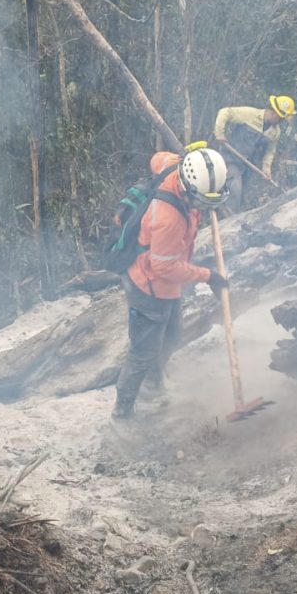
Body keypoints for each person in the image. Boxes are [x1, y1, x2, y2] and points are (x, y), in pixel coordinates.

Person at [113, 146, 230, 420]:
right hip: (148, 285)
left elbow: (156, 158)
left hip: (168, 283)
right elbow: (163, 267)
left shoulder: (177, 166)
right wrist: (208, 276)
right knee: (143, 351)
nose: (205, 207)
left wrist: (186, 154)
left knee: (173, 334)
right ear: (188, 188)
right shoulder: (168, 218)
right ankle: (122, 413)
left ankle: (153, 386)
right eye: (202, 201)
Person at [213, 94, 297, 213]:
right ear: (274, 113)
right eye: (281, 119)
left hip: (247, 168)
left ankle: (231, 218)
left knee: (242, 196)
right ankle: (228, 224)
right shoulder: (250, 114)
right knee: (235, 188)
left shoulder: (275, 132)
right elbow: (224, 112)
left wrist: (266, 169)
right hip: (230, 160)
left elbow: (270, 152)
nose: (281, 122)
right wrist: (219, 133)